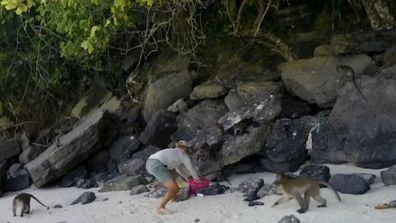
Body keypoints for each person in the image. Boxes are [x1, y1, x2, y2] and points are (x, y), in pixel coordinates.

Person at [145, 140, 200, 214]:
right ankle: (161, 207)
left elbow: (177, 170)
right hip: (157, 165)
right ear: (185, 149)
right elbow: (191, 169)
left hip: (149, 163)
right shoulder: (182, 154)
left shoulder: (173, 152)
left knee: (173, 172)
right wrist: (197, 180)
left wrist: (187, 179)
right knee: (175, 188)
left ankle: (172, 197)